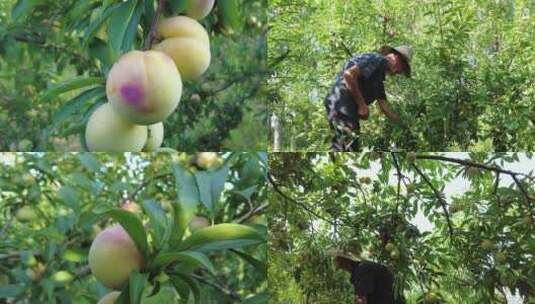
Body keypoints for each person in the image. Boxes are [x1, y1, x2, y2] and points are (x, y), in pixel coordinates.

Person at [324, 45, 412, 151]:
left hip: (342, 104)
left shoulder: (378, 81)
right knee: (348, 145)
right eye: (402, 68)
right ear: (396, 57)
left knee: (346, 144)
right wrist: (362, 105)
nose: (399, 72)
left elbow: (385, 109)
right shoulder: (377, 60)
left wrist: (404, 126)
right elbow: (349, 75)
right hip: (342, 100)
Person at [334, 253, 405, 304]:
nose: (343, 268)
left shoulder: (362, 269)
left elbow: (362, 299)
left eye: (341, 265)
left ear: (346, 261)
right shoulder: (360, 269)